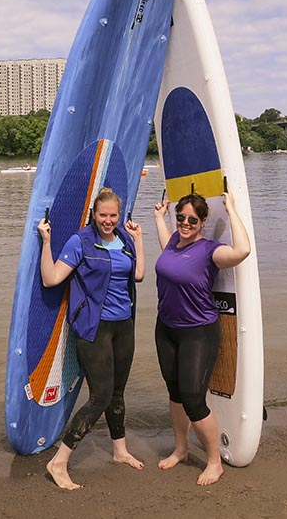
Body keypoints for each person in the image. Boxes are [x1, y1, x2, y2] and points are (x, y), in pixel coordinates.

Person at [37, 187, 146, 490]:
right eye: (103, 215)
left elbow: (138, 276)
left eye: (113, 215)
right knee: (100, 396)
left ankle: (120, 451)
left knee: (118, 392)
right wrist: (46, 242)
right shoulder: (80, 241)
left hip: (124, 326)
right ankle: (58, 462)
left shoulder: (124, 239)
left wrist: (139, 239)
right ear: (94, 214)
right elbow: (51, 278)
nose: (108, 220)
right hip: (93, 328)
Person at [152, 191, 251, 486]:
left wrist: (231, 210)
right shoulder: (172, 242)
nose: (184, 223)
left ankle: (214, 462)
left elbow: (242, 251)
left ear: (202, 222)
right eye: (180, 217)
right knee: (175, 392)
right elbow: (165, 247)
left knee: (194, 400)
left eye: (191, 219)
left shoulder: (210, 251)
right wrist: (159, 216)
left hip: (198, 332)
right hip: (166, 328)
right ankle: (181, 450)